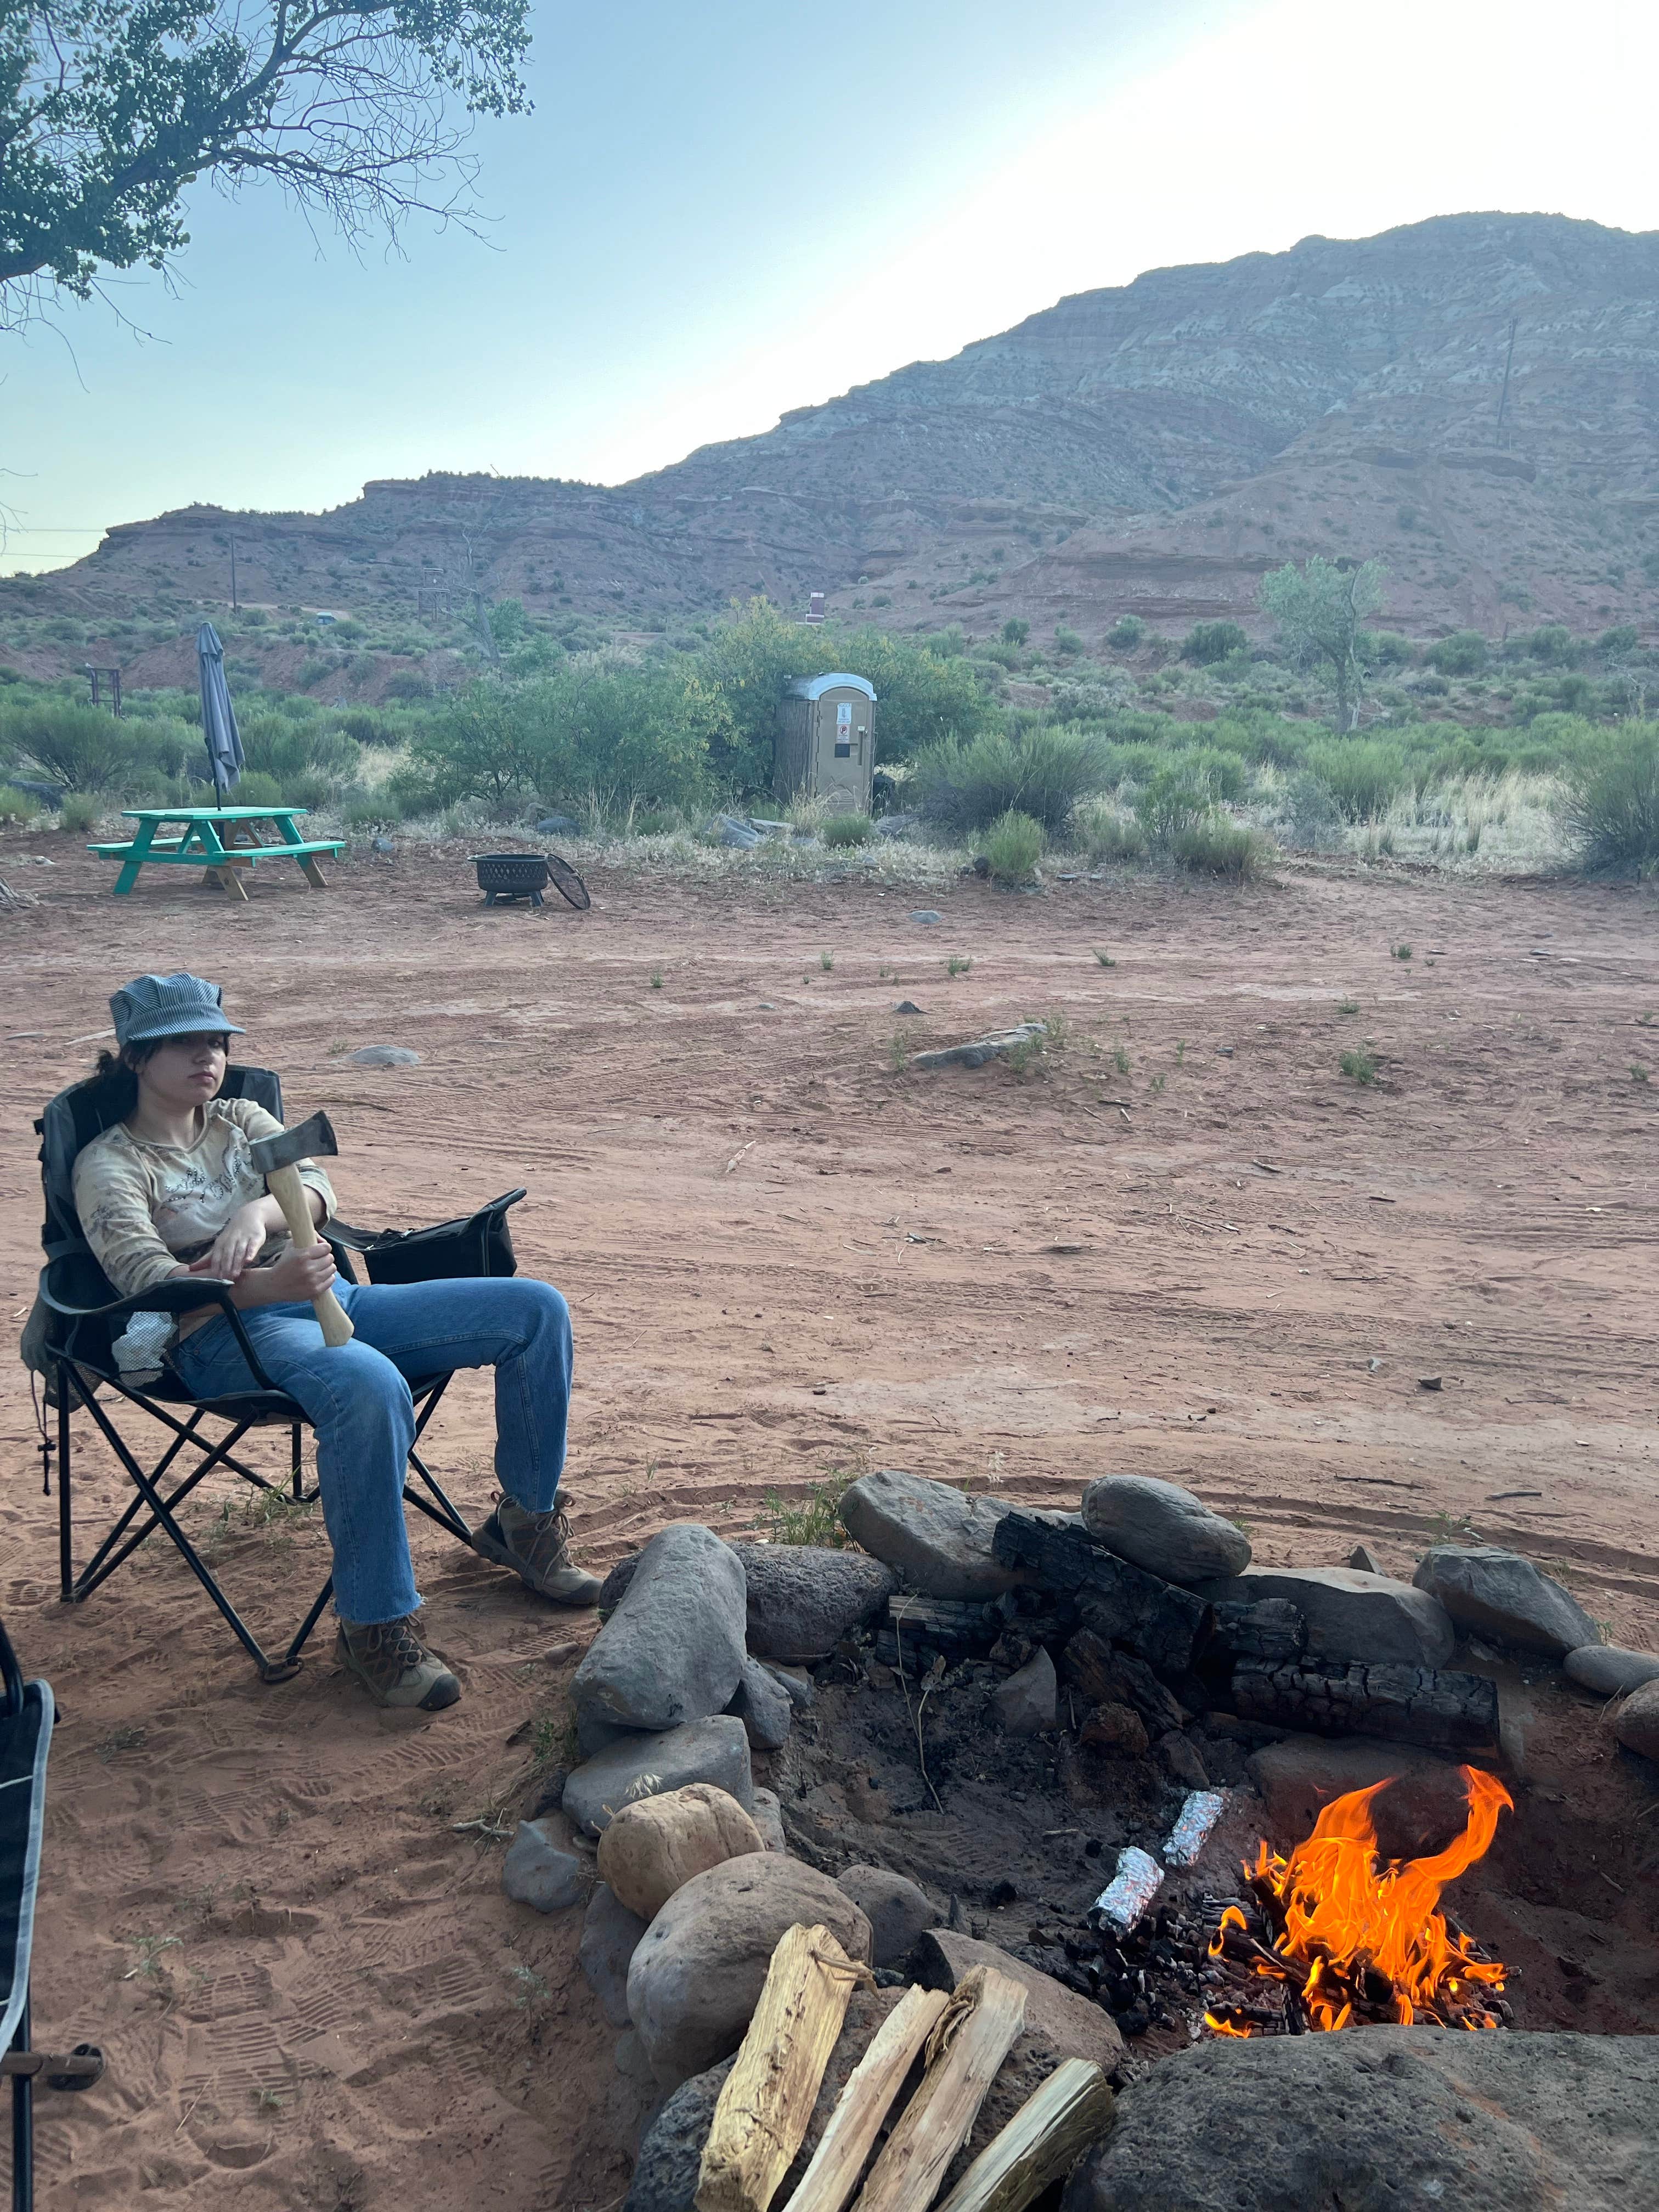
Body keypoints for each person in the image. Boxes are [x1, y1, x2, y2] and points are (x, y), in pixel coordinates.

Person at [71, 971, 598, 1714]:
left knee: (536, 1310)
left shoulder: (241, 1119)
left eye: (216, 1041)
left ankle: (527, 1525)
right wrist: (261, 1286)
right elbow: (144, 1278)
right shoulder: (109, 1164)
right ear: (134, 1057)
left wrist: (255, 1217)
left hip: (332, 1301)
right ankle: (375, 1628)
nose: (208, 1056)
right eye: (184, 1043)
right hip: (216, 1338)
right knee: (367, 1383)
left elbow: (316, 1185)